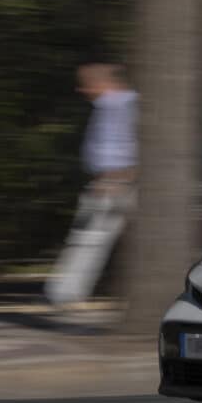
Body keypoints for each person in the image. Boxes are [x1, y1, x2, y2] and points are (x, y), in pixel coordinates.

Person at [45, 63, 139, 307]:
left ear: (102, 83)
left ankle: (66, 294)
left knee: (88, 240)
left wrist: (112, 178)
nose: (81, 90)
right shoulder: (124, 103)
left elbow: (114, 146)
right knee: (93, 240)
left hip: (114, 184)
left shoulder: (113, 105)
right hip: (119, 182)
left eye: (85, 83)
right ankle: (68, 294)